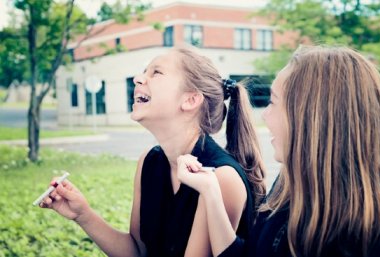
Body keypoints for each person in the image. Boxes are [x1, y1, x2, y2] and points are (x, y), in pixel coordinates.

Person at [177, 45, 380, 257]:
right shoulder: (289, 183)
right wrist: (210, 192)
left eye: (273, 102)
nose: (265, 114)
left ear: (312, 116)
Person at [39, 45, 266, 257]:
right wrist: (83, 215)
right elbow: (137, 251)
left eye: (156, 72)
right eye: (143, 72)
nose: (138, 79)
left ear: (191, 99)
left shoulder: (221, 179)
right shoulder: (149, 162)